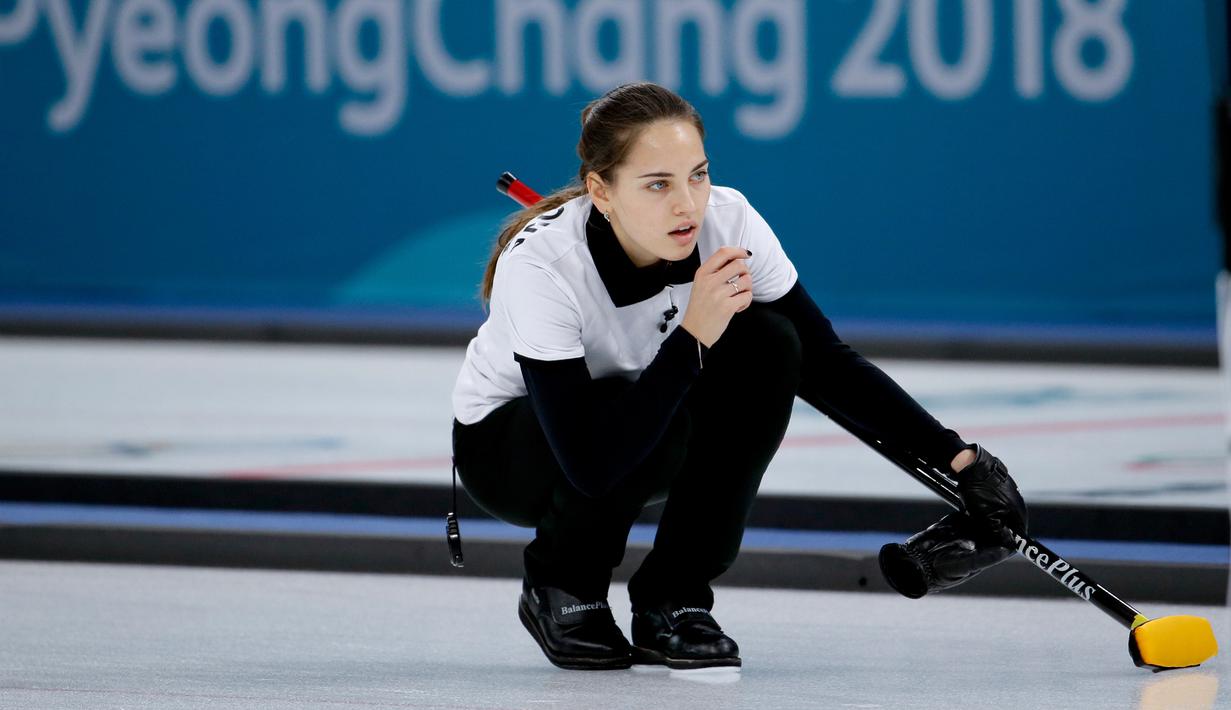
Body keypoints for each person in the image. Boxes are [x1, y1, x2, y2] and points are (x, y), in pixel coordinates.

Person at [451, 82, 1028, 671]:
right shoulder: (543, 267)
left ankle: (673, 599)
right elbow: (591, 464)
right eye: (658, 184)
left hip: (643, 434)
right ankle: (563, 586)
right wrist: (693, 335)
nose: (687, 204)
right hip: (515, 453)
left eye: (697, 175)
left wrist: (959, 460)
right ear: (601, 191)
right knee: (633, 401)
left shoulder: (729, 222)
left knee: (772, 343)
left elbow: (826, 362)